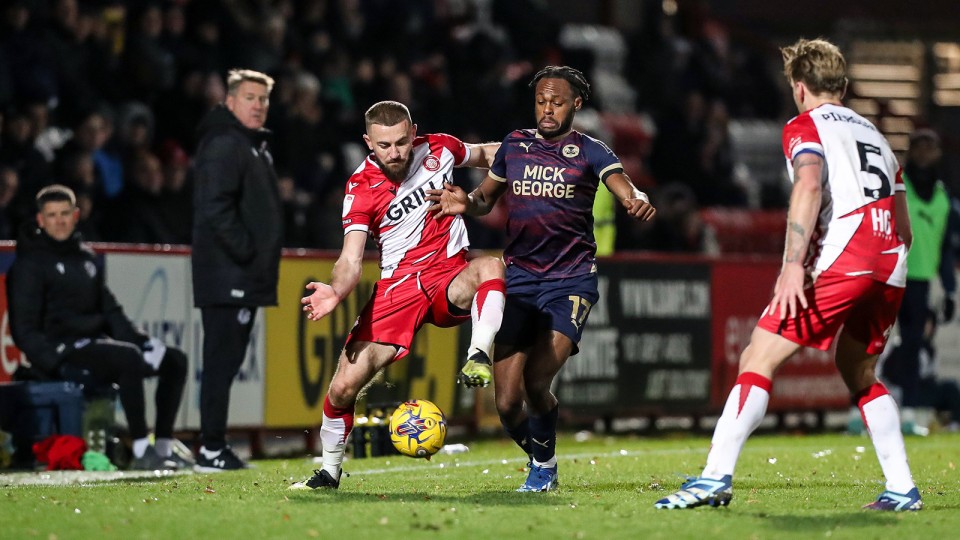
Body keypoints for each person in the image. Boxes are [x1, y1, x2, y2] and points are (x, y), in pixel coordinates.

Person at [654, 38, 921, 512]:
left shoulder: (806, 125)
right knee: (858, 369)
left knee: (758, 355)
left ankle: (714, 478)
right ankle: (902, 488)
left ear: (799, 87)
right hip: (890, 262)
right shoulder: (878, 137)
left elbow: (809, 184)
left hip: (846, 255)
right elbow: (905, 227)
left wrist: (794, 264)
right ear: (843, 86)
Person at [427, 66, 657, 492]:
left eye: (557, 102)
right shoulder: (515, 145)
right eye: (541, 101)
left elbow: (624, 185)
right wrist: (466, 202)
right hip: (519, 281)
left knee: (536, 381)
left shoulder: (591, 151)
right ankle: (543, 461)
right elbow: (484, 198)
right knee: (506, 402)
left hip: (570, 281)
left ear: (576, 104)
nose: (547, 109)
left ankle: (543, 469)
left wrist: (636, 199)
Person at [290, 101, 505, 490]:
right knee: (342, 388)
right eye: (384, 145)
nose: (394, 153)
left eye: (402, 142)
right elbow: (351, 258)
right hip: (398, 289)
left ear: (413, 133)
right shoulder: (360, 187)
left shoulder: (440, 148)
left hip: (448, 274)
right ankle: (329, 473)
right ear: (368, 142)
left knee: (491, 266)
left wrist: (533, 152)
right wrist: (336, 290)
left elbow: (488, 154)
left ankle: (477, 354)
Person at [6, 184, 189, 470]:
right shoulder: (29, 265)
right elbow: (24, 330)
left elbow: (110, 311)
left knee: (174, 360)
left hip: (95, 345)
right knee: (127, 358)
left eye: (65, 213)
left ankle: (163, 448)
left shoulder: (86, 259)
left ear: (76, 215)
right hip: (65, 350)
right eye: (52, 215)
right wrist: (55, 363)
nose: (59, 221)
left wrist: (142, 341)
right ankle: (142, 450)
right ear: (40, 220)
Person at [191, 68, 283, 471]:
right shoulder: (225, 144)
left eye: (263, 99)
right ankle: (211, 448)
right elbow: (214, 207)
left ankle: (214, 445)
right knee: (221, 362)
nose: (258, 106)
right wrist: (249, 253)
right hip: (229, 275)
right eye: (249, 97)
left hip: (240, 275)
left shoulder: (248, 144)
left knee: (226, 362)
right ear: (229, 102)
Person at [887, 129, 956, 431]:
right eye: (920, 146)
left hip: (920, 281)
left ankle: (909, 413)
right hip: (890, 274)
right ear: (910, 150)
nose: (925, 152)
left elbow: (945, 247)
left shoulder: (942, 196)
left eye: (931, 146)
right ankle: (859, 411)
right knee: (875, 344)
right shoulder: (896, 186)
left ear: (939, 153)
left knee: (914, 346)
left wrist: (949, 291)